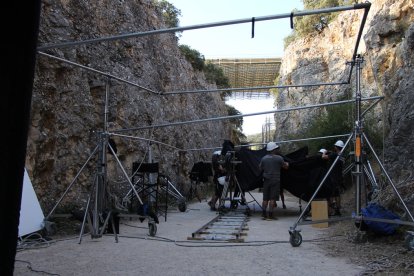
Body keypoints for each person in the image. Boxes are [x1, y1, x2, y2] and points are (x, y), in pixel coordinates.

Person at [259, 142, 289, 220]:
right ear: (273, 149)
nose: (277, 150)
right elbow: (285, 167)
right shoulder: (279, 158)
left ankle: (263, 214)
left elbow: (260, 168)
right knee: (272, 199)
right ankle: (271, 215)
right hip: (275, 180)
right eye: (276, 149)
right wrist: (287, 164)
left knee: (265, 199)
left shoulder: (264, 158)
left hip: (266, 180)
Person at [321, 140, 345, 216]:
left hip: (333, 177)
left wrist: (325, 152)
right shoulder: (341, 155)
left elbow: (323, 157)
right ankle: (337, 210)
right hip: (339, 177)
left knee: (331, 194)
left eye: (335, 146)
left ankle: (330, 211)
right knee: (337, 194)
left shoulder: (334, 155)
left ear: (336, 147)